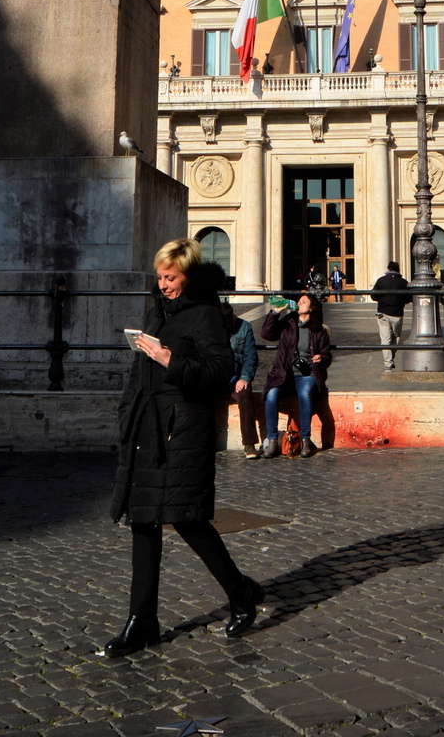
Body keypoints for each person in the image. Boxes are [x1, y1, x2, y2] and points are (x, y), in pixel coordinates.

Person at [102, 238, 262, 659]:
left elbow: (218, 371)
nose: (163, 284)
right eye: (159, 277)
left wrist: (171, 360)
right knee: (143, 520)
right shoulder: (156, 311)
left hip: (182, 431)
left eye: (170, 277)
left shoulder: (207, 315)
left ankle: (241, 592)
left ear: (187, 276)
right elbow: (140, 370)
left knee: (187, 519)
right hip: (146, 428)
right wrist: (126, 413)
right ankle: (142, 622)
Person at [259, 290, 335, 456]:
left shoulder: (319, 331)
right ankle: (272, 441)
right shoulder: (288, 322)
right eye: (299, 301)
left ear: (312, 307)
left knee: (305, 394)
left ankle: (305, 440)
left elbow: (327, 355)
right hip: (283, 374)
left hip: (307, 376)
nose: (299, 303)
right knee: (271, 395)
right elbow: (266, 334)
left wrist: (321, 358)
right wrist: (275, 312)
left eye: (303, 301)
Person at [229, 312, 263, 458]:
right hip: (216, 375)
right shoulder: (211, 324)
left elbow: (251, 355)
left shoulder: (244, 327)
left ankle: (249, 445)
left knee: (245, 395)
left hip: (236, 376)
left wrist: (244, 378)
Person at [370, 260, 409, 372]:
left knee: (385, 339)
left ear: (388, 269)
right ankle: (390, 360)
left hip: (383, 313)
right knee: (396, 338)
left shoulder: (381, 281)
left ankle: (388, 363)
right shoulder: (403, 282)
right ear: (398, 270)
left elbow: (374, 296)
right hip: (397, 314)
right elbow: (408, 299)